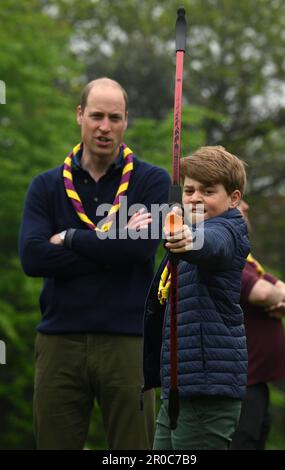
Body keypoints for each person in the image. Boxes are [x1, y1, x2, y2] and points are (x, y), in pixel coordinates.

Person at [19, 77, 170, 450]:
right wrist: (114, 245)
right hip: (59, 339)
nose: (105, 127)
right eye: (97, 116)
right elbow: (33, 257)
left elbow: (140, 251)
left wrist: (70, 238)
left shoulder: (152, 181)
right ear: (80, 115)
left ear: (126, 121)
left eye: (115, 118)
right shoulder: (46, 185)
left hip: (128, 341)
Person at [143, 146, 250, 450]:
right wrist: (182, 229)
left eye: (208, 190)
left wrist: (189, 239)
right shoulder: (190, 226)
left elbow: (213, 245)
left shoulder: (228, 230)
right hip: (179, 387)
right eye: (189, 190)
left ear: (234, 198)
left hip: (208, 391)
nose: (195, 197)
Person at [230, 200, 285, 450]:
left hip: (255, 381)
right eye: (238, 202)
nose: (246, 206)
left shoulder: (246, 259)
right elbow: (261, 294)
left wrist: (282, 301)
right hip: (238, 382)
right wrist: (277, 298)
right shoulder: (224, 256)